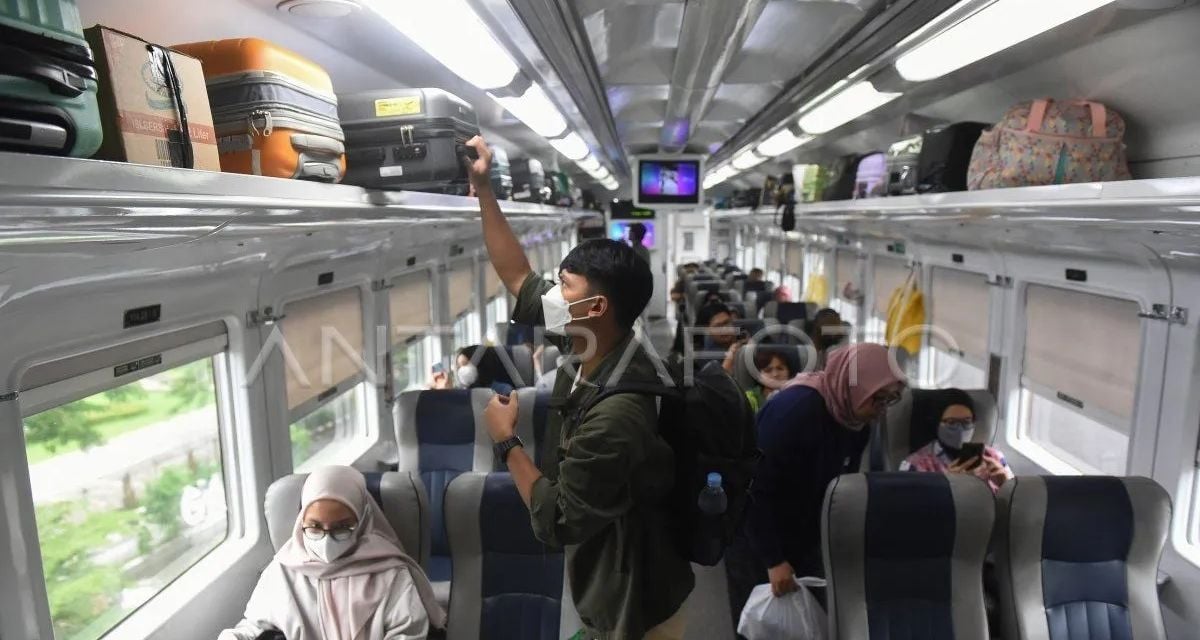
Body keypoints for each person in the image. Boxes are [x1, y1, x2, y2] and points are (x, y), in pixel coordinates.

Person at [464, 136, 694, 640]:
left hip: (635, 604)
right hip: (607, 580)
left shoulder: (621, 412)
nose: (553, 292)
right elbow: (519, 277)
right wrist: (483, 189)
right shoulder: (589, 341)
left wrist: (506, 441)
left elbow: (556, 521)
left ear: (595, 307)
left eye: (564, 284)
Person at [725, 344, 905, 631]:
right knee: (763, 626)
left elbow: (840, 485)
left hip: (804, 529)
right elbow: (751, 485)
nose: (881, 409)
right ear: (851, 385)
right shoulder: (795, 411)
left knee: (807, 623)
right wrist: (773, 559)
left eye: (890, 400)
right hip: (754, 531)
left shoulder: (856, 419)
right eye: (878, 399)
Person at [219, 466, 443, 640]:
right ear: (301, 522)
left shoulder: (391, 574)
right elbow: (253, 627)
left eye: (342, 528)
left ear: (362, 521)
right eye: (314, 527)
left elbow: (408, 633)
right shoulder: (282, 571)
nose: (327, 539)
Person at [899, 388, 1013, 494]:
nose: (960, 429)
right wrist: (947, 486)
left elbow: (1015, 504)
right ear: (937, 423)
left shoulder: (995, 457)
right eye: (951, 422)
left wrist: (1007, 485)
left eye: (967, 421)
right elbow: (910, 509)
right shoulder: (916, 465)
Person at [695, 301, 744, 373]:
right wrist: (730, 358)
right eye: (718, 326)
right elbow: (719, 382)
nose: (725, 329)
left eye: (727, 322)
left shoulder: (744, 339)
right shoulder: (704, 359)